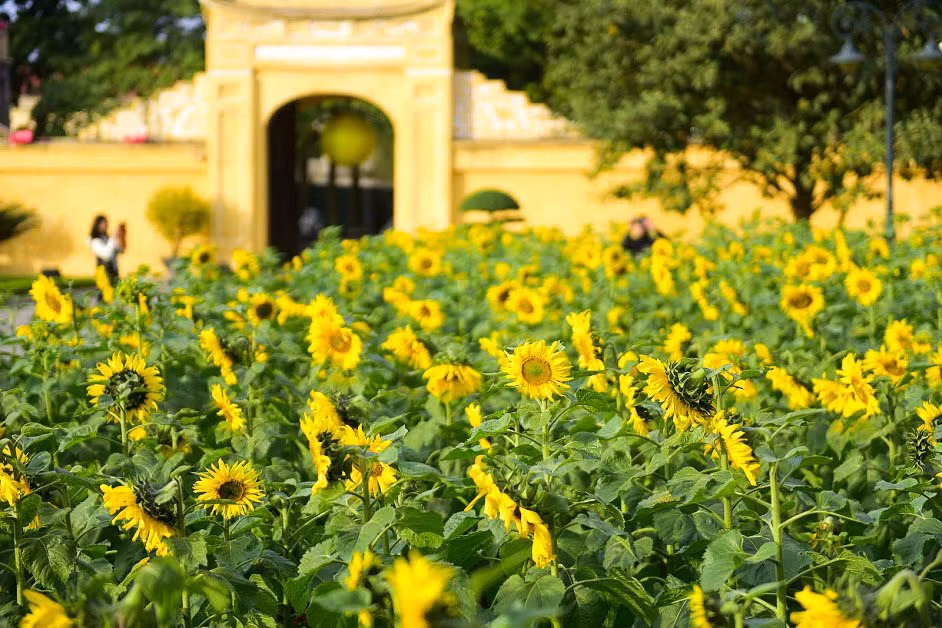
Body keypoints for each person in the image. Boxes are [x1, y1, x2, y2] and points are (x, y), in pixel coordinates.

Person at [88, 215, 126, 283]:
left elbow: (121, 250)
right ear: (97, 225)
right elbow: (106, 255)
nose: (105, 225)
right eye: (103, 223)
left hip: (114, 273)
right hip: (104, 276)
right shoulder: (95, 241)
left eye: (106, 223)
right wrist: (113, 237)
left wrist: (121, 237)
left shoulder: (108, 238)